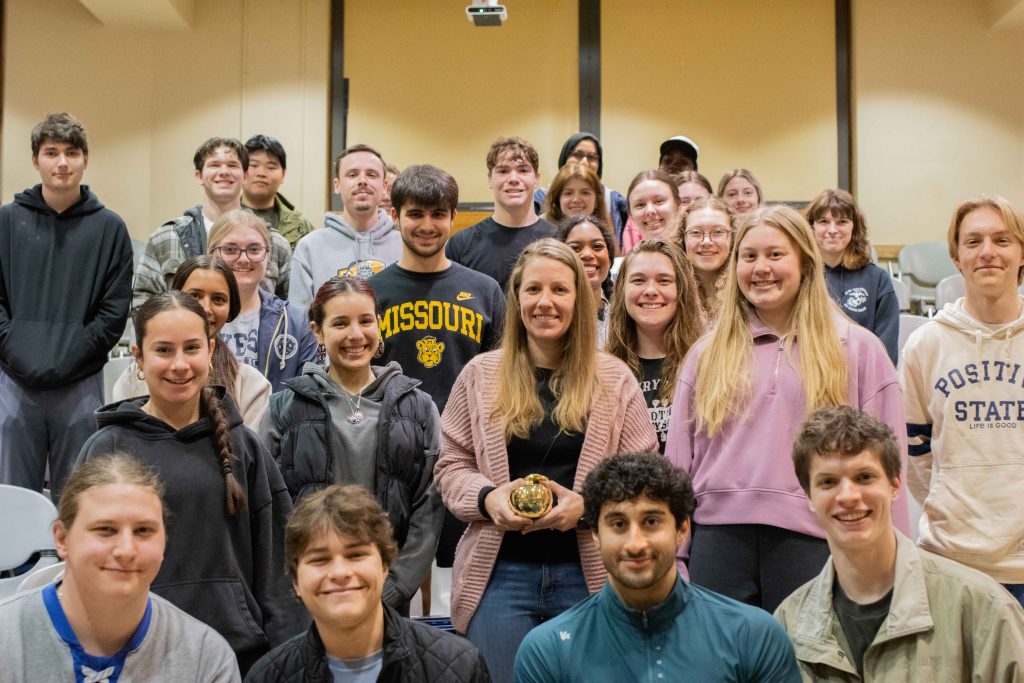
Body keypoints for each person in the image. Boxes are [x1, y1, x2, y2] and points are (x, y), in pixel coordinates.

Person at [665, 205, 909, 613]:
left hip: (817, 539)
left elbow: (890, 466)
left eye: (776, 255)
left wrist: (895, 560)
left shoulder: (858, 349)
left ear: (805, 264)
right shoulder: (705, 354)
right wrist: (673, 553)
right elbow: (678, 464)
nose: (761, 268)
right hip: (718, 542)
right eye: (749, 256)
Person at [434, 239, 658, 683]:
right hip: (499, 579)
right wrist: (487, 498)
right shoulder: (480, 374)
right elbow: (451, 465)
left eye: (559, 289)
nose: (545, 302)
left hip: (590, 575)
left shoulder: (614, 378)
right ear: (516, 298)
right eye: (533, 289)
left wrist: (588, 508)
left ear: (581, 297)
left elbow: (643, 477)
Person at [78, 292, 306, 673]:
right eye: (163, 350)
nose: (179, 364)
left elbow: (278, 567)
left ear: (211, 349)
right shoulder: (107, 447)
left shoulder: (243, 446)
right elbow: (85, 565)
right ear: (138, 358)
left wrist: (287, 660)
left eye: (192, 348)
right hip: (134, 656)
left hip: (239, 656)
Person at [776, 406, 1024, 681]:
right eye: (828, 482)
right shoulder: (789, 623)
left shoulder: (981, 609)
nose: (847, 496)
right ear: (809, 497)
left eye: (864, 477)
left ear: (894, 485)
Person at [514, 452, 801, 683]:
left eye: (651, 522)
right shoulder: (547, 650)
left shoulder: (753, 636)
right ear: (596, 534)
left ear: (682, 528)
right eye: (618, 524)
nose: (635, 543)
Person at [262, 275, 442, 616]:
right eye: (340, 323)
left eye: (365, 321)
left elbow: (429, 507)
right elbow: (271, 507)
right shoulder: (284, 408)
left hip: (390, 596)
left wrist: (395, 587)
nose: (356, 335)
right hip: (308, 595)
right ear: (317, 330)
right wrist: (301, 582)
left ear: (379, 324)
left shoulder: (418, 406)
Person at [368, 164, 506, 571]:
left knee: (456, 574)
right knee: (391, 573)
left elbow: (501, 380)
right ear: (394, 216)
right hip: (389, 457)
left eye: (438, 214)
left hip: (463, 457)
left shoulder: (485, 290)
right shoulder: (372, 293)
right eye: (415, 214)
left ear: (452, 217)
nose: (427, 225)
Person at [0, 452, 241, 682]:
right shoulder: (6, 640)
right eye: (105, 530)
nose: (126, 550)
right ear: (62, 539)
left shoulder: (206, 659)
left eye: (143, 531)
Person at [0, 112, 133, 500]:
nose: (62, 162)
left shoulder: (110, 228)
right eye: (51, 152)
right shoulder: (6, 222)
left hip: (80, 384)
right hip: (13, 381)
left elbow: (113, 313)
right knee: (12, 499)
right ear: (35, 160)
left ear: (85, 160)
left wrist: (70, 357)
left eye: (71, 153)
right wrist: (16, 351)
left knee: (78, 499)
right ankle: (12, 566)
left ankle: (71, 566)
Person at [900, 195, 1024, 605]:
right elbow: (916, 451)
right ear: (956, 256)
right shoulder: (924, 345)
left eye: (1002, 240)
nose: (988, 252)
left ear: (1021, 251)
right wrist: (950, 499)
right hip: (951, 560)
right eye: (974, 242)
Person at [245, 484, 491, 682]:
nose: (340, 572)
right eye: (320, 559)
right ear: (296, 579)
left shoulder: (459, 667)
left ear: (384, 566)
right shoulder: (266, 676)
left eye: (356, 555)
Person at [113, 256, 271, 429]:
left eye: (218, 299)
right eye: (194, 296)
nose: (205, 309)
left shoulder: (252, 386)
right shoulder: (131, 380)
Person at [133, 137, 291, 310]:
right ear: (199, 176)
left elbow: (287, 309)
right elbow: (142, 302)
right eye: (214, 165)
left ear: (245, 176)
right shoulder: (165, 238)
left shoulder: (274, 242)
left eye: (232, 165)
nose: (224, 172)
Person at [606, 240, 704, 452]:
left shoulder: (708, 363)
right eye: (638, 280)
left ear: (682, 290)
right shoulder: (603, 370)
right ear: (622, 289)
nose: (650, 290)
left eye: (664, 280)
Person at [208, 210, 317, 391]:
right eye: (230, 249)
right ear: (211, 254)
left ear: (268, 255)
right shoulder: (190, 316)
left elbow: (308, 394)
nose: (243, 259)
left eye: (254, 249)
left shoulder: (295, 323)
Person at [289, 144, 401, 313]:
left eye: (371, 174)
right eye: (352, 174)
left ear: (384, 186)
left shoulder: (405, 244)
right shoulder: (309, 248)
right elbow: (299, 321)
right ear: (337, 185)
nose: (362, 181)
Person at [445, 137, 555, 291]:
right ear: (490, 178)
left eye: (523, 170)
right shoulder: (461, 244)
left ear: (536, 179)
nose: (513, 179)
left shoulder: (558, 239)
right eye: (503, 171)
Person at [806, 189, 899, 365]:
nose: (832, 230)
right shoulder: (800, 276)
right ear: (812, 227)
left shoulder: (878, 279)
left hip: (864, 378)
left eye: (842, 222)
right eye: (824, 221)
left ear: (854, 227)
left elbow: (886, 352)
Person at [533, 133, 628, 243]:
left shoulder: (614, 200)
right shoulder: (540, 199)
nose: (584, 162)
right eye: (577, 155)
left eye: (592, 157)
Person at [241, 134, 317, 251]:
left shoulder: (300, 225)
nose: (261, 173)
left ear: (283, 175)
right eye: (253, 165)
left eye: (271, 167)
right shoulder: (223, 217)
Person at [555, 215, 614, 345]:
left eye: (597, 246)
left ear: (609, 259)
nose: (587, 255)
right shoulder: (551, 317)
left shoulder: (624, 317)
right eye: (575, 248)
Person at [679, 196, 736, 319]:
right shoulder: (673, 291)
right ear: (682, 239)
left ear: (733, 237)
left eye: (718, 232)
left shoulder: (745, 292)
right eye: (695, 232)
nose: (706, 241)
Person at [540, 163, 613, 238]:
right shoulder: (541, 230)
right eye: (568, 193)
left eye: (585, 193)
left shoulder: (604, 231)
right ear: (557, 199)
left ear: (597, 200)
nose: (576, 200)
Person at [620, 170, 680, 252]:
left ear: (677, 204)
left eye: (659, 201)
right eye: (640, 205)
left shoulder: (698, 257)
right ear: (630, 214)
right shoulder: (622, 264)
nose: (650, 210)